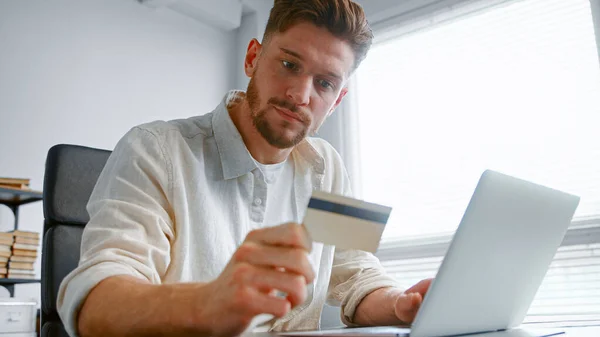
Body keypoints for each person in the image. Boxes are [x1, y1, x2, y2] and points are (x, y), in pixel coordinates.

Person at [57, 0, 432, 336]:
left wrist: (402, 304)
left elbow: (358, 275)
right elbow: (94, 302)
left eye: (324, 83)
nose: (300, 95)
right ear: (253, 57)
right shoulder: (154, 149)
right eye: (289, 64)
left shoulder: (328, 165)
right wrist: (205, 303)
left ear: (337, 100)